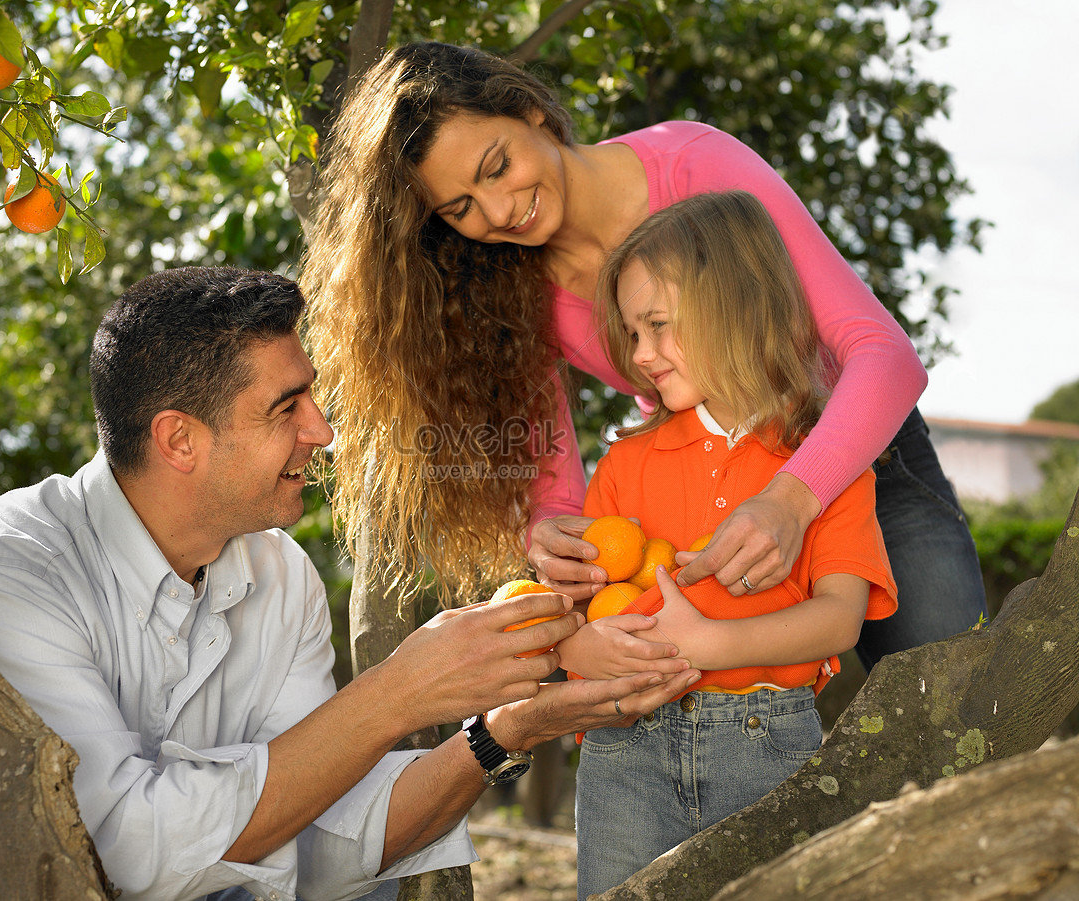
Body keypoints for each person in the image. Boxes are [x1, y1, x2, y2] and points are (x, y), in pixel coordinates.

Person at [0, 267, 698, 901]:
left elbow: (318, 834)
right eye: (287, 407)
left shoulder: (276, 573)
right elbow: (120, 852)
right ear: (180, 440)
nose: (325, 431)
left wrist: (501, 731)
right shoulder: (5, 572)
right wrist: (397, 693)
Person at [301, 41, 985, 670]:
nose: (500, 209)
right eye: (461, 207)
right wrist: (549, 537)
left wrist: (790, 499)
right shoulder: (508, 289)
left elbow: (884, 354)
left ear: (530, 110)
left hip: (860, 461)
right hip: (708, 512)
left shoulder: (694, 164)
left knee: (955, 703)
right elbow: (558, 492)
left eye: (498, 166)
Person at [553, 191, 898, 898]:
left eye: (658, 326)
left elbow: (840, 618)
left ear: (737, 306)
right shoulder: (624, 464)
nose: (641, 355)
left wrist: (705, 645)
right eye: (632, 333)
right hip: (627, 749)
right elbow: (573, 617)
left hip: (765, 745)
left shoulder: (820, 465)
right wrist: (578, 651)